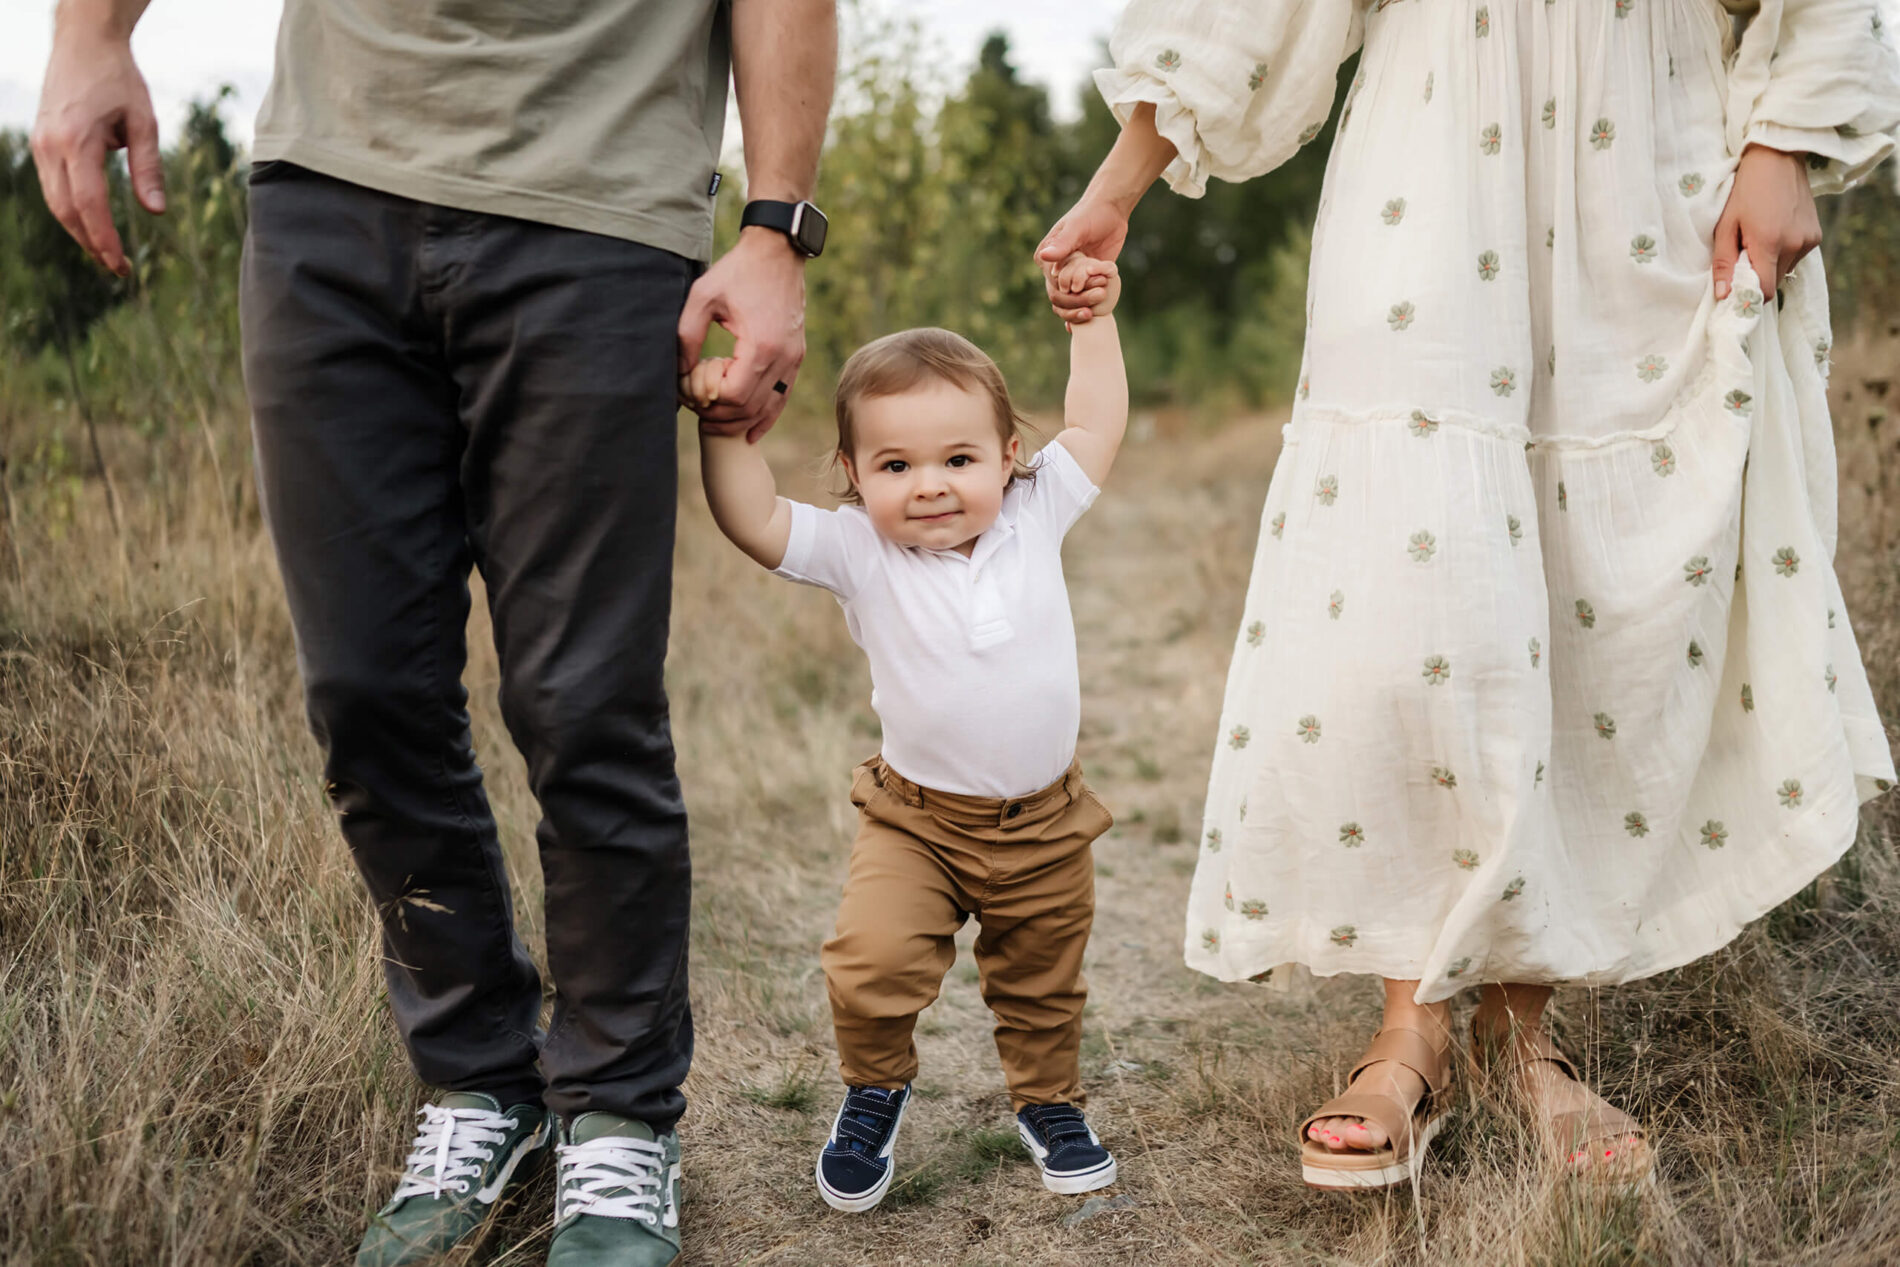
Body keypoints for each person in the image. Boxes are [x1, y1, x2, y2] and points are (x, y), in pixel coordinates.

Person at [1039, 0, 1900, 1191]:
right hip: (1428, 154)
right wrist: (1120, 183)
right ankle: (1414, 1023)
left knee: (1583, 591)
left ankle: (1516, 1033)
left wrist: (1782, 144)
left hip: (1646, 162)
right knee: (1414, 591)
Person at [32, 0, 835, 1260]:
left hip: (598, 205)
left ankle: (620, 1115)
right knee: (365, 689)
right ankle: (482, 1081)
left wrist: (777, 224)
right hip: (329, 188)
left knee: (584, 700)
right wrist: (91, 34)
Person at [684, 253, 1126, 1211]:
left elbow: (1095, 421)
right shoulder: (859, 550)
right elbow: (754, 519)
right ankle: (874, 1087)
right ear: (853, 473)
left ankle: (1047, 1102)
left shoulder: (1036, 510)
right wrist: (725, 430)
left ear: (1009, 454)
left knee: (1044, 984)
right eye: (895, 465)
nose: (929, 485)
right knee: (872, 962)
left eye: (958, 459)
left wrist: (1090, 323)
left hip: (1045, 825)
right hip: (915, 822)